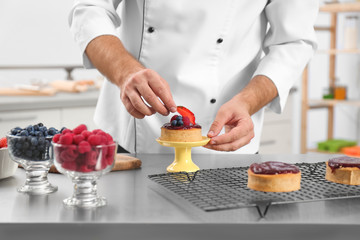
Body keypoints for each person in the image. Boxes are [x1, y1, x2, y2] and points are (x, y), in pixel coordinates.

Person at [69, 0, 318, 154]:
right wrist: (124, 71)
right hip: (130, 137)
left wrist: (248, 101)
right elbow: (89, 8)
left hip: (224, 138)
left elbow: (294, 41)